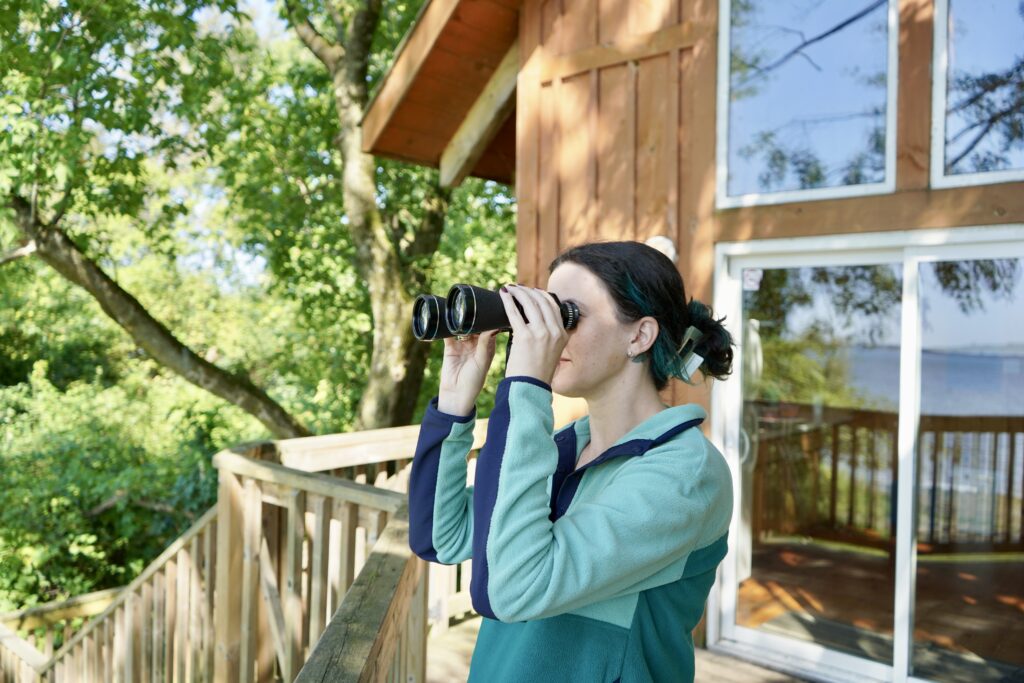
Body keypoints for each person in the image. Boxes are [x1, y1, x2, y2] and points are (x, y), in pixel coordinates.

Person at [409, 241, 735, 682]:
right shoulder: (566, 448)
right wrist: (454, 400)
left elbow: (512, 592)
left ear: (639, 336)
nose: (549, 333)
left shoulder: (685, 475)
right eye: (546, 312)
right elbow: (439, 536)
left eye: (568, 316)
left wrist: (525, 386)